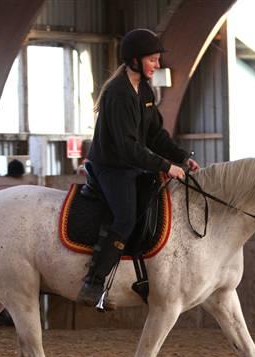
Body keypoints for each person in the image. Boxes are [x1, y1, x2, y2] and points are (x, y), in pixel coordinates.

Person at [77, 28, 200, 307]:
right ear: (135, 60)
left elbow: (155, 134)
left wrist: (181, 157)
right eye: (153, 60)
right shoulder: (119, 94)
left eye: (157, 60)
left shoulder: (143, 89)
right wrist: (165, 166)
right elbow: (127, 147)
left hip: (131, 164)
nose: (157, 65)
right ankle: (94, 282)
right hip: (111, 167)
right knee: (125, 217)